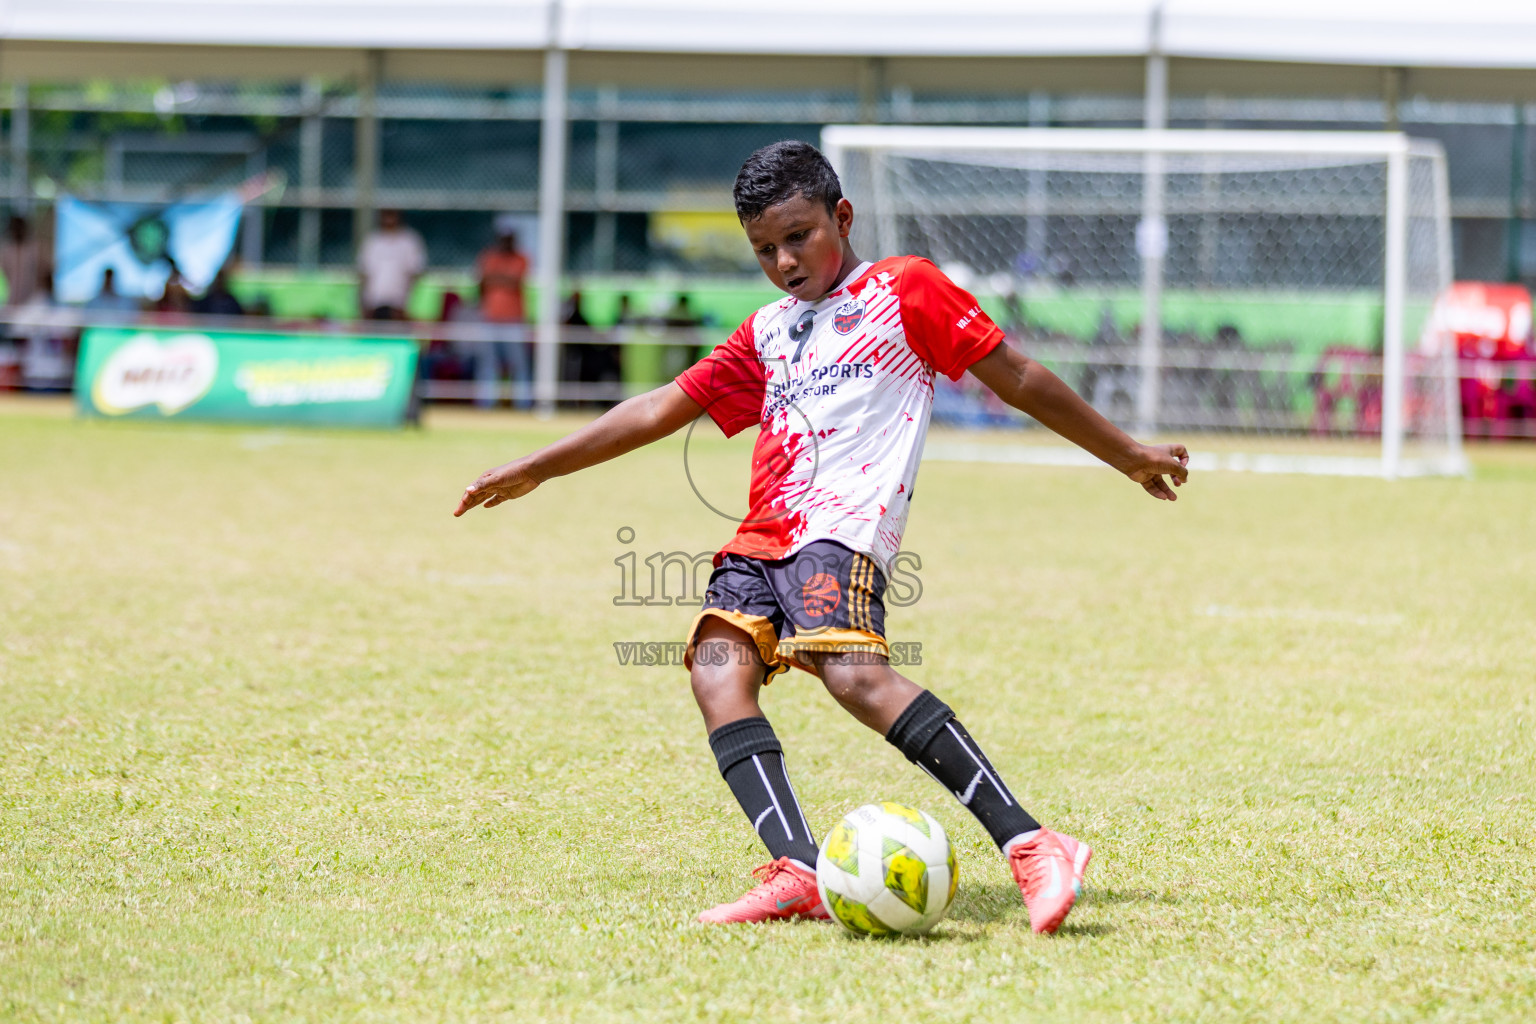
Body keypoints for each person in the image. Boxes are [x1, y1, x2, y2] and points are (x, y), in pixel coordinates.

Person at [453, 141, 1189, 933]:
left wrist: (1128, 455)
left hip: (842, 531)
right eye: (764, 248)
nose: (783, 260)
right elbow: (665, 405)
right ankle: (798, 869)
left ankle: (1035, 843)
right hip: (761, 536)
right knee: (716, 673)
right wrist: (539, 466)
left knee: (855, 678)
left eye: (798, 236)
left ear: (841, 216)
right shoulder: (768, 331)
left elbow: (1016, 376)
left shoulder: (904, 289)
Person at [473, 215, 532, 409]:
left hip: (514, 319)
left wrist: (494, 278)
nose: (506, 241)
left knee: (518, 364)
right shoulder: (488, 256)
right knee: (487, 364)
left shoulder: (521, 258)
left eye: (509, 238)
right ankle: (485, 405)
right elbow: (481, 283)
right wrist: (499, 278)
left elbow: (515, 281)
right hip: (489, 318)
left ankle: (523, 405)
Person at [357, 209, 426, 320]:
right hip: (374, 302)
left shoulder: (409, 241)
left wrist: (407, 304)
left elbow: (414, 274)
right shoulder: (372, 241)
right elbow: (364, 274)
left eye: (392, 214)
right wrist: (364, 305)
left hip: (398, 303)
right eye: (386, 214)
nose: (389, 218)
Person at [1, 215, 47, 308]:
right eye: (15, 228)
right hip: (11, 299)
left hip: (32, 300)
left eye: (19, 227)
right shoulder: (6, 250)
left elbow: (43, 272)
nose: (17, 231)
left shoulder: (34, 249)